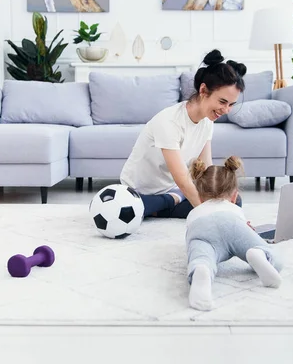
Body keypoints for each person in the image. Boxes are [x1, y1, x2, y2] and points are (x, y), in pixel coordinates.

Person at [120, 49, 247, 219]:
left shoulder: (207, 122)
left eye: (231, 104)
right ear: (203, 90)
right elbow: (182, 179)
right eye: (222, 101)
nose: (225, 110)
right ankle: (166, 201)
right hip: (143, 190)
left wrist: (221, 197)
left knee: (233, 202)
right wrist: (211, 214)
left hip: (174, 189)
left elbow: (206, 168)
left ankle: (172, 200)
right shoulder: (169, 121)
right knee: (133, 206)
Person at [185, 156, 283, 311]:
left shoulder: (195, 213)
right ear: (234, 196)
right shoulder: (235, 209)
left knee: (200, 255)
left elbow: (190, 234)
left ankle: (201, 270)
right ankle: (258, 254)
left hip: (200, 226)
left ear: (200, 195)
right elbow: (242, 228)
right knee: (266, 250)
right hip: (233, 222)